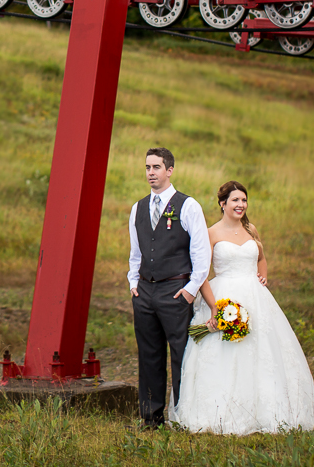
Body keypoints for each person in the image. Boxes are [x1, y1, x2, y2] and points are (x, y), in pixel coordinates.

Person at [171, 181, 314, 435]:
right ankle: (222, 410)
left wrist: (262, 276)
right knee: (226, 353)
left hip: (256, 298)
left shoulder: (250, 229)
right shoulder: (211, 233)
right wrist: (215, 308)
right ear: (222, 203)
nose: (241, 205)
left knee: (264, 351)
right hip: (224, 296)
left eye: (244, 200)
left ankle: (267, 408)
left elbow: (261, 258)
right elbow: (200, 274)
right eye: (235, 200)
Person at [128, 147, 211, 430]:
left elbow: (201, 254)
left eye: (156, 167)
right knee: (149, 355)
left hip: (175, 290)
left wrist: (190, 290)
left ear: (170, 170)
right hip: (144, 292)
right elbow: (135, 252)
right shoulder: (138, 208)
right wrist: (132, 283)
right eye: (148, 167)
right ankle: (151, 418)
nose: (151, 173)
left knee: (181, 354)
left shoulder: (188, 206)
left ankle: (182, 416)